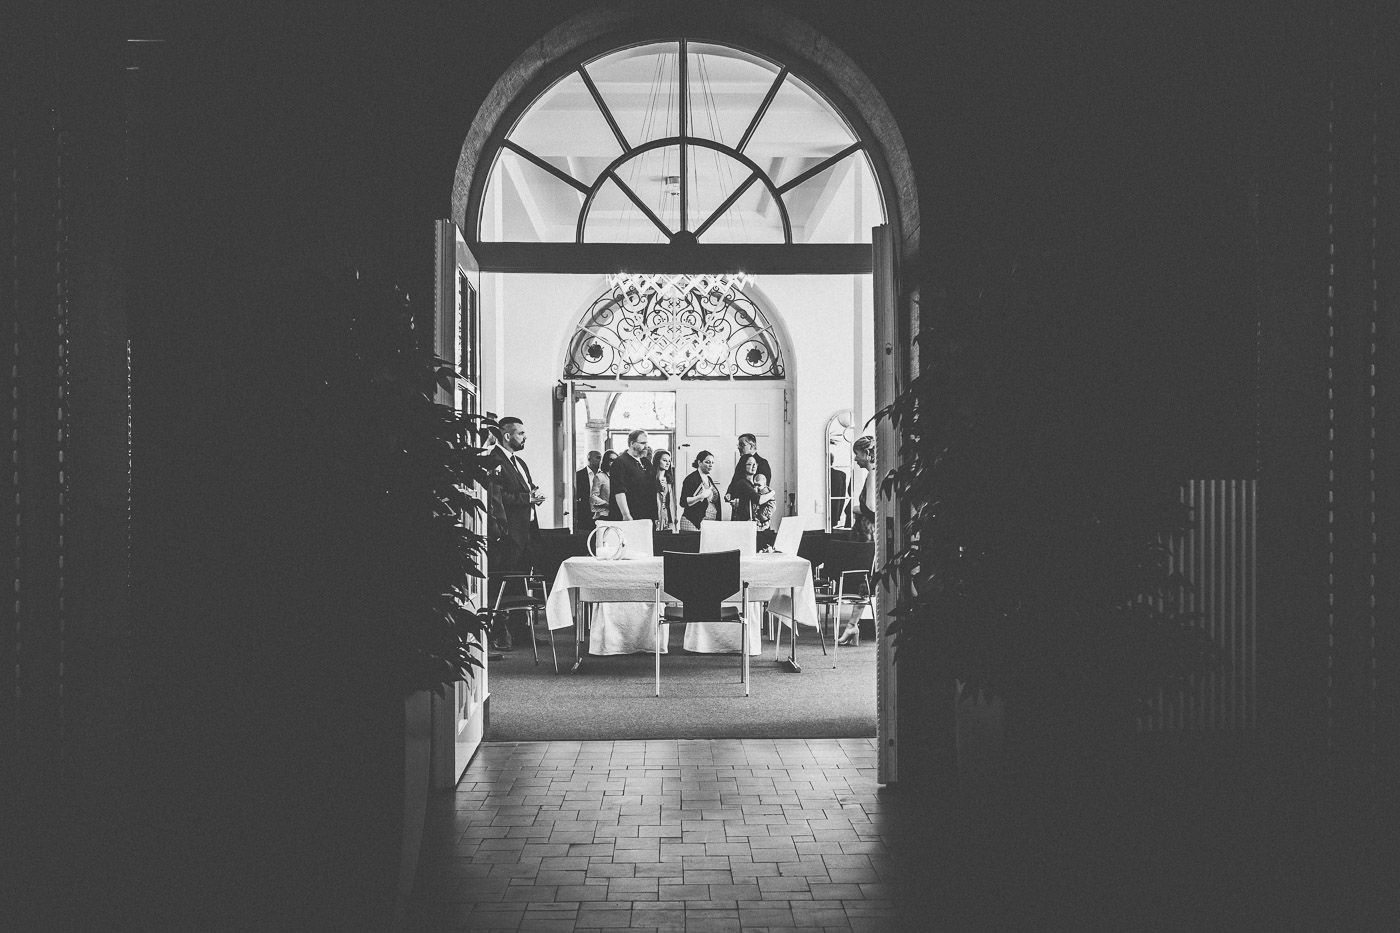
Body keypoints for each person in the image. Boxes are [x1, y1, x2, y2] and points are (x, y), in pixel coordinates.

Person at [487, 416, 545, 650]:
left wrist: (533, 495)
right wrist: (526, 498)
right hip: (508, 533)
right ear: (507, 435)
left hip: (526, 532)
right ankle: (500, 634)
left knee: (521, 583)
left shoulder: (519, 462)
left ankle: (521, 632)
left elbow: (524, 492)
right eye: (520, 433)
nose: (524, 437)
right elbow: (496, 497)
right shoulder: (494, 460)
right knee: (502, 583)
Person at [607, 429, 657, 522]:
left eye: (646, 443)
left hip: (646, 515)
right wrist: (626, 515)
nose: (646, 446)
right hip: (629, 516)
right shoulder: (620, 462)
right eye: (642, 443)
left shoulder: (646, 462)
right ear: (632, 443)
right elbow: (619, 491)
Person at [678, 450, 721, 532]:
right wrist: (700, 496)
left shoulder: (709, 479)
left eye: (712, 462)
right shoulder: (691, 479)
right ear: (699, 462)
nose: (710, 465)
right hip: (692, 522)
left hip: (707, 523)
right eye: (707, 462)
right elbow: (683, 502)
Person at [724, 453, 768, 523]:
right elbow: (759, 500)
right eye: (749, 464)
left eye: (755, 463)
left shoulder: (754, 484)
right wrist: (772, 492)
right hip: (743, 522)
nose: (753, 466)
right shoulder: (743, 483)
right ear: (743, 466)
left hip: (749, 522)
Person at [852, 435, 877, 543]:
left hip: (867, 534)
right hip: (867, 533)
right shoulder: (874, 473)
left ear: (866, 453)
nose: (855, 458)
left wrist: (855, 508)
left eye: (856, 454)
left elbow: (870, 508)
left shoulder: (872, 474)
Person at [573, 449, 603, 533]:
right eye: (598, 458)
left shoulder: (604, 475)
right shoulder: (578, 475)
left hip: (601, 513)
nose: (600, 460)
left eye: (601, 458)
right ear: (589, 459)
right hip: (584, 514)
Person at [652, 448, 677, 531]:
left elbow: (672, 502)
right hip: (655, 515)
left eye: (669, 461)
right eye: (664, 460)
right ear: (657, 461)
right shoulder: (651, 478)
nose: (668, 463)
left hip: (667, 515)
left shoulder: (669, 480)